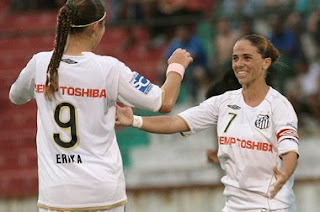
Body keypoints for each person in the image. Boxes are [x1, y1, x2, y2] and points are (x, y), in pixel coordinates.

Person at [8, 0, 193, 211]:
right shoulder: (108, 69)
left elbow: (16, 96)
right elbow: (164, 101)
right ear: (96, 26)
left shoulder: (40, 63)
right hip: (104, 193)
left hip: (57, 195)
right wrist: (176, 66)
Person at [116, 34, 299, 212]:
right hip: (234, 206)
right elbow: (176, 122)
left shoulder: (279, 106)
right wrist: (135, 120)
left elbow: (289, 149)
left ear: (266, 63)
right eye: (235, 58)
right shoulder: (223, 102)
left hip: (271, 206)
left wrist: (285, 174)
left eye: (247, 58)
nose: (239, 64)